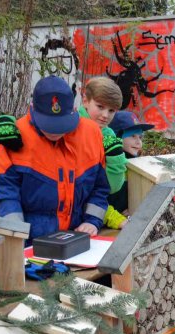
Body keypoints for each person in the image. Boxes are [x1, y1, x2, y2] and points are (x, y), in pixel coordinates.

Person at [0, 76, 109, 240]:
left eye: (61, 125)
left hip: (78, 237)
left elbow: (100, 187)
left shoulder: (91, 134)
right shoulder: (13, 138)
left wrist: (92, 221)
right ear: (32, 108)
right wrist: (16, 237)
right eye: (48, 124)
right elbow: (6, 195)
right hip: (29, 241)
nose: (55, 131)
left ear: (75, 110)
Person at [79, 77, 130, 224]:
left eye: (111, 110)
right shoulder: (72, 130)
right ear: (85, 101)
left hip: (95, 214)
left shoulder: (108, 135)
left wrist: (115, 159)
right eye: (100, 107)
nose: (105, 115)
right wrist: (112, 217)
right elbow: (80, 187)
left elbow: (112, 187)